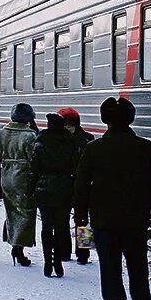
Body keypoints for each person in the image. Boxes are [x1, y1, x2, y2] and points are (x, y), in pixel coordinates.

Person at [74, 97, 151, 300]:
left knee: (110, 267)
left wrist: (80, 215)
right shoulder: (144, 147)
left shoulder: (94, 148)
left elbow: (82, 185)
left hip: (104, 220)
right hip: (136, 219)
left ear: (105, 120)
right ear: (131, 119)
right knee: (138, 266)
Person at [31, 112, 82, 278]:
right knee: (62, 226)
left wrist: (31, 189)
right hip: (65, 188)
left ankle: (47, 262)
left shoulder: (40, 142)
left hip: (44, 189)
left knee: (47, 227)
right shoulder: (72, 142)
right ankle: (60, 262)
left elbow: (34, 169)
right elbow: (76, 167)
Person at [0, 103, 38, 267]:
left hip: (6, 177)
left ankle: (13, 242)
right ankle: (18, 249)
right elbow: (34, 159)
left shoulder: (2, 133)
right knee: (25, 212)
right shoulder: (30, 135)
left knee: (11, 211)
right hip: (23, 177)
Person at [58, 107, 94, 264]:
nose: (67, 126)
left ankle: (81, 253)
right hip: (73, 184)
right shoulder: (86, 138)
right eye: (65, 123)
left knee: (78, 220)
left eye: (69, 123)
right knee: (71, 220)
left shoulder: (85, 139)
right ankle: (72, 253)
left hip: (78, 184)